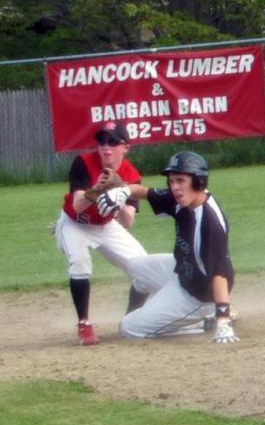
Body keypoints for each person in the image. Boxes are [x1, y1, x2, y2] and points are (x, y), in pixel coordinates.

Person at [97, 151, 239, 344]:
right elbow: (145, 192)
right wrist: (124, 191)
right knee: (134, 266)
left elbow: (219, 274)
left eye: (181, 180)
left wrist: (224, 319)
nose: (175, 187)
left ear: (199, 181)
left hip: (198, 294)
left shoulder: (210, 223)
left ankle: (203, 323)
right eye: (171, 181)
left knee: (129, 328)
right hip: (182, 271)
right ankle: (136, 315)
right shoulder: (182, 199)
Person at [55, 122, 148, 346]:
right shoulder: (84, 163)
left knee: (143, 267)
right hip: (75, 223)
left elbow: (128, 221)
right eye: (102, 141)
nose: (106, 147)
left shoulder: (131, 174)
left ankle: (131, 319)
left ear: (125, 147)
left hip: (106, 225)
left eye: (113, 142)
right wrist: (96, 189)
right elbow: (77, 206)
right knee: (79, 262)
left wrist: (121, 194)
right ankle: (84, 325)